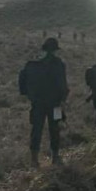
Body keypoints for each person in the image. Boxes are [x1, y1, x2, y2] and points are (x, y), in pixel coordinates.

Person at [19, 37, 69, 167]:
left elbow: (23, 82)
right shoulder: (59, 64)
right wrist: (63, 100)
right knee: (55, 128)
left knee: (36, 129)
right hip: (56, 104)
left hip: (37, 103)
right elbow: (63, 85)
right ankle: (55, 156)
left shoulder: (33, 64)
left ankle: (34, 159)